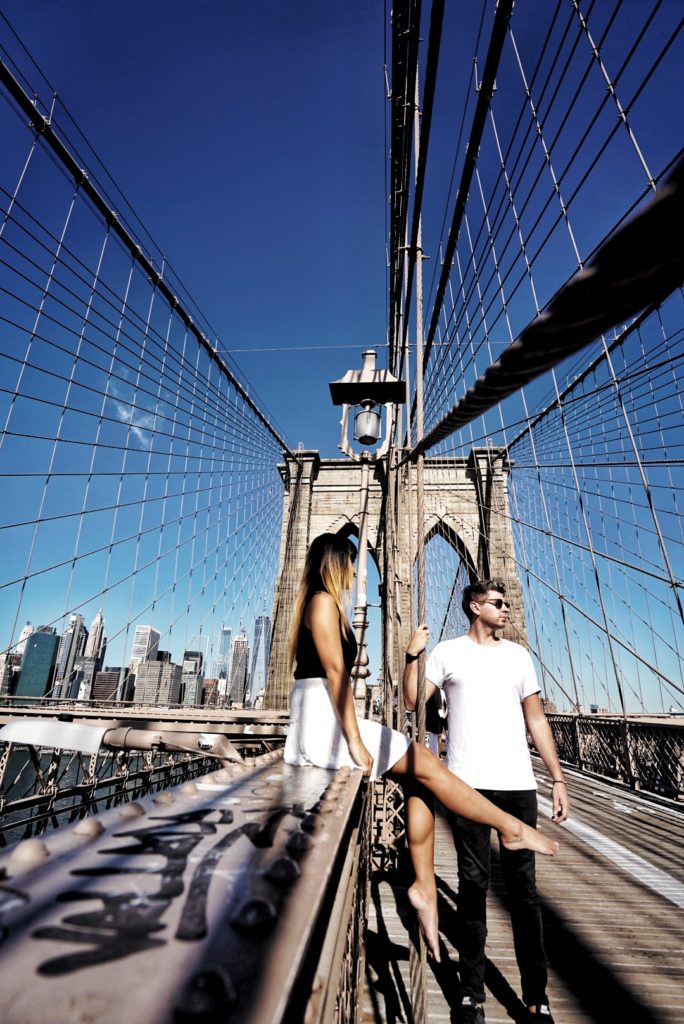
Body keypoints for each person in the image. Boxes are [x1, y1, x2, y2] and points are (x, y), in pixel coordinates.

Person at [284, 535, 560, 963]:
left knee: (422, 773)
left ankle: (424, 886)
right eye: (353, 564)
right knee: (428, 762)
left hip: (325, 715)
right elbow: (337, 672)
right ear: (335, 562)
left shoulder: (321, 603)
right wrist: (356, 740)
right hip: (327, 722)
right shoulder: (322, 601)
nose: (357, 573)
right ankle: (507, 827)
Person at [404, 578, 569, 1024]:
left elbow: (536, 719)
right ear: (475, 607)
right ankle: (470, 995)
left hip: (518, 785)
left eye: (507, 602)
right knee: (473, 887)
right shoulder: (446, 653)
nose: (507, 609)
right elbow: (413, 699)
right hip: (467, 785)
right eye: (498, 603)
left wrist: (556, 777)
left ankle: (537, 999)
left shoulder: (518, 657)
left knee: (525, 894)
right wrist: (412, 655)